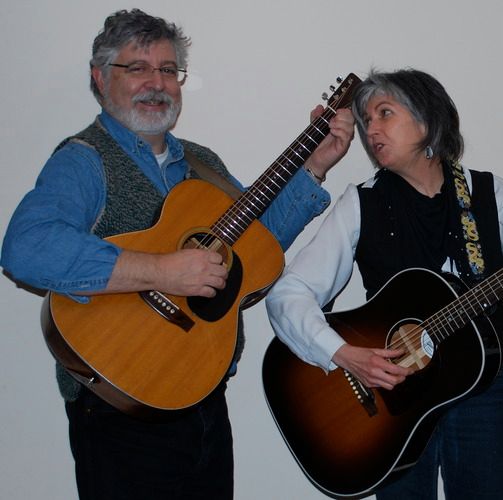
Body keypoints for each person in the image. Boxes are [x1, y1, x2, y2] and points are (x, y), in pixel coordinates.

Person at [0, 8, 355, 500]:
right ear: (100, 77)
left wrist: (314, 167)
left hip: (204, 401)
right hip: (119, 414)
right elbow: (26, 247)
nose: (158, 83)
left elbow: (257, 246)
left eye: (168, 70)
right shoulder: (84, 159)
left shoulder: (202, 163)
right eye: (138, 68)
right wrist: (162, 271)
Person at [266, 68, 503, 499]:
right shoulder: (362, 202)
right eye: (366, 119)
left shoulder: (491, 196)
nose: (371, 129)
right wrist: (341, 353)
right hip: (392, 406)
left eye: (385, 113)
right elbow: (289, 293)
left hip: (483, 391)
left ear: (427, 120)